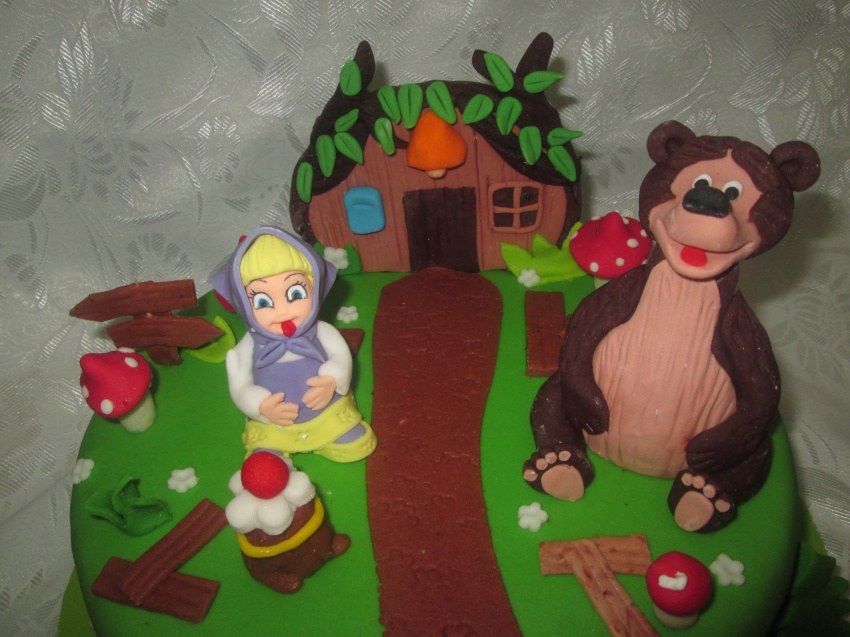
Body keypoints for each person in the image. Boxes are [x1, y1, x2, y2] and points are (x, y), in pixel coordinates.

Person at [212, 226, 376, 462]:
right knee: (265, 464)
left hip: (326, 413)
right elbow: (240, 385)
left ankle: (333, 433)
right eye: (263, 301)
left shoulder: (323, 332)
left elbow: (341, 357)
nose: (282, 311)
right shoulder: (248, 347)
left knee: (356, 445)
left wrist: (332, 380)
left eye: (295, 294)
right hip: (275, 426)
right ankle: (272, 449)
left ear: (314, 288)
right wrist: (260, 406)